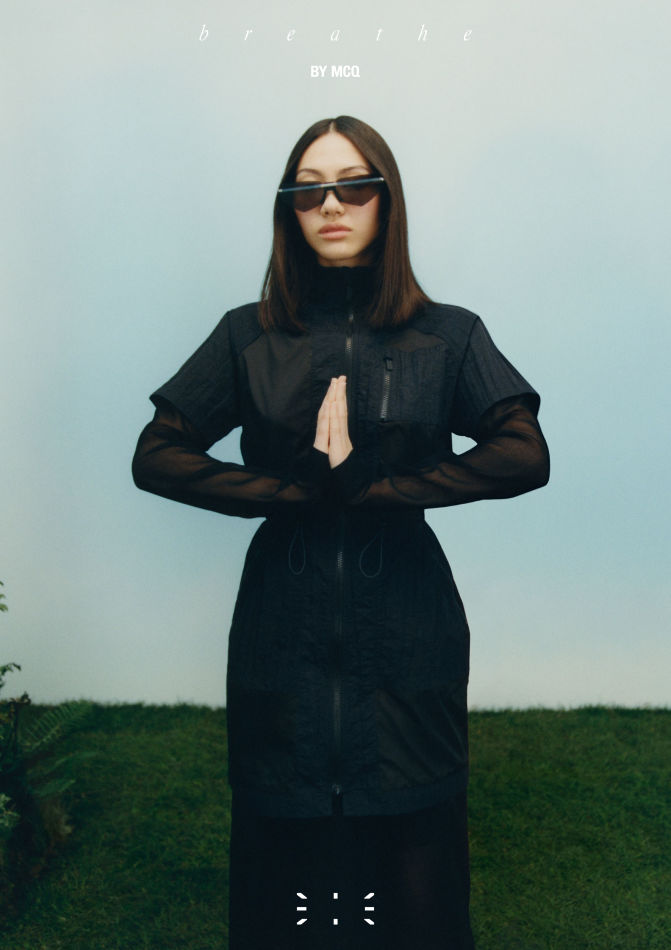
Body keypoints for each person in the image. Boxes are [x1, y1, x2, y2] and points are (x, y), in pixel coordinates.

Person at [132, 115, 550, 949]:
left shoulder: (447, 334)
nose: (331, 205)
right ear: (288, 210)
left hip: (408, 627)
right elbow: (157, 454)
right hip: (279, 630)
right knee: (281, 885)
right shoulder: (247, 335)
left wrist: (377, 489)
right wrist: (289, 493)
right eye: (309, 190)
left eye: (354, 185)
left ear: (386, 201)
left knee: (417, 876)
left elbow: (522, 452)